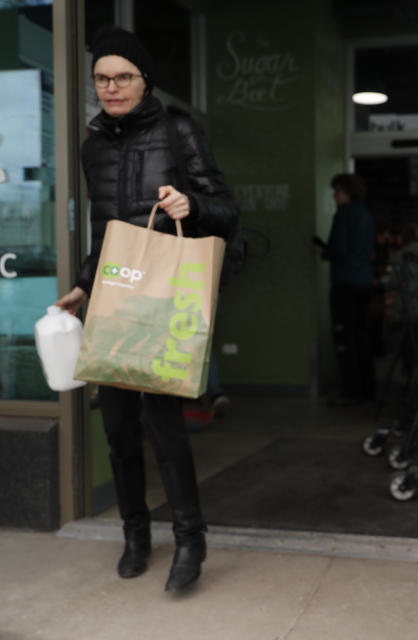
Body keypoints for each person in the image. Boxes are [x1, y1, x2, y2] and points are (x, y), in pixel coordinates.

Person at [55, 26, 239, 592]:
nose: (111, 87)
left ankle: (190, 539)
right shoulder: (92, 147)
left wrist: (194, 204)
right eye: (102, 79)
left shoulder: (179, 130)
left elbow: (227, 211)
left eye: (122, 77)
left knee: (164, 427)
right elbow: (102, 233)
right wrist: (85, 286)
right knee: (116, 427)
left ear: (143, 80)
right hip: (113, 295)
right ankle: (136, 534)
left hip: (163, 297)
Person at [317, 173, 377, 405]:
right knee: (362, 336)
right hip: (364, 281)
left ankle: (350, 391)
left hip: (345, 283)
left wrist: (324, 251)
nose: (334, 195)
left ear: (347, 192)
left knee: (345, 336)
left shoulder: (344, 214)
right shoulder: (366, 215)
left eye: (338, 191)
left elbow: (338, 248)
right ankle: (367, 387)